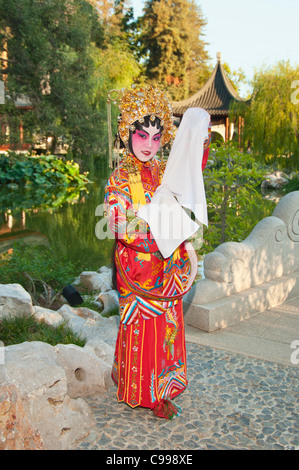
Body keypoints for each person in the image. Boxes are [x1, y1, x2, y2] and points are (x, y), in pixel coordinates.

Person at [104, 85, 211, 419]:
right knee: (141, 329)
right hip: (137, 269)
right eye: (142, 136)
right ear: (127, 134)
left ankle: (163, 391)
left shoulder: (165, 170)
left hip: (168, 267)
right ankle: (139, 390)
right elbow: (119, 225)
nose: (149, 145)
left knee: (167, 328)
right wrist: (161, 231)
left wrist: (199, 139)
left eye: (156, 136)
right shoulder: (120, 177)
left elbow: (191, 175)